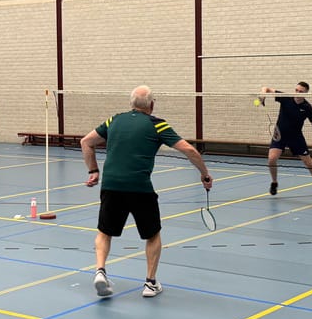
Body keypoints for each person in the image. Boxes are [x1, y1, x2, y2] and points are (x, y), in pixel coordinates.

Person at [80, 86, 213, 299]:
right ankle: (150, 283)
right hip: (140, 188)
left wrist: (93, 171)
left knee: (104, 232)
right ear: (151, 104)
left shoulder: (114, 120)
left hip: (111, 186)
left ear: (131, 103)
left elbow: (86, 142)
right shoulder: (157, 124)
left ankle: (100, 271)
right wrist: (205, 174)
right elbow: (189, 150)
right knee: (152, 235)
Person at [261, 82, 312, 198]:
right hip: (280, 135)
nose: (297, 93)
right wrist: (262, 95)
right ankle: (274, 182)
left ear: (305, 93)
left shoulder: (307, 107)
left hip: (296, 137)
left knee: (308, 163)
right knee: (271, 159)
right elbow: (266, 88)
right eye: (296, 90)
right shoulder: (285, 98)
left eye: (301, 91)